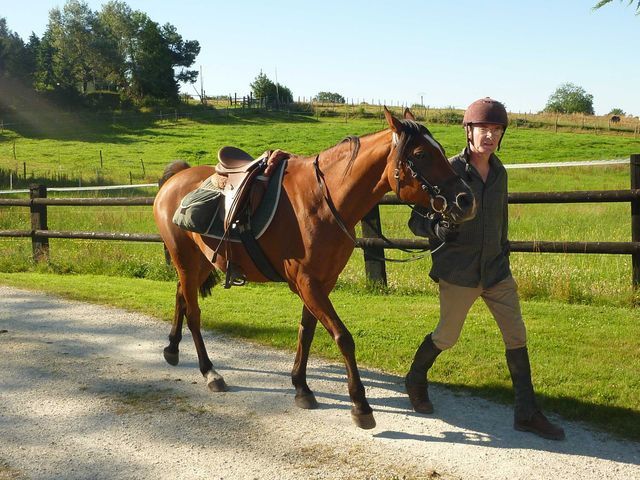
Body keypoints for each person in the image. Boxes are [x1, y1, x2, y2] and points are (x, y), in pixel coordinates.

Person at [405, 97, 565, 441]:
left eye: (496, 130)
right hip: (459, 273)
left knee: (516, 335)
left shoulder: (501, 173)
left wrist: (504, 255)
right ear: (469, 131)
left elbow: (502, 221)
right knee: (446, 337)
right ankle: (416, 379)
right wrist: (437, 229)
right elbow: (415, 220)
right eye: (483, 129)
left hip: (496, 272)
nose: (489, 136)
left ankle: (526, 412)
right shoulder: (448, 171)